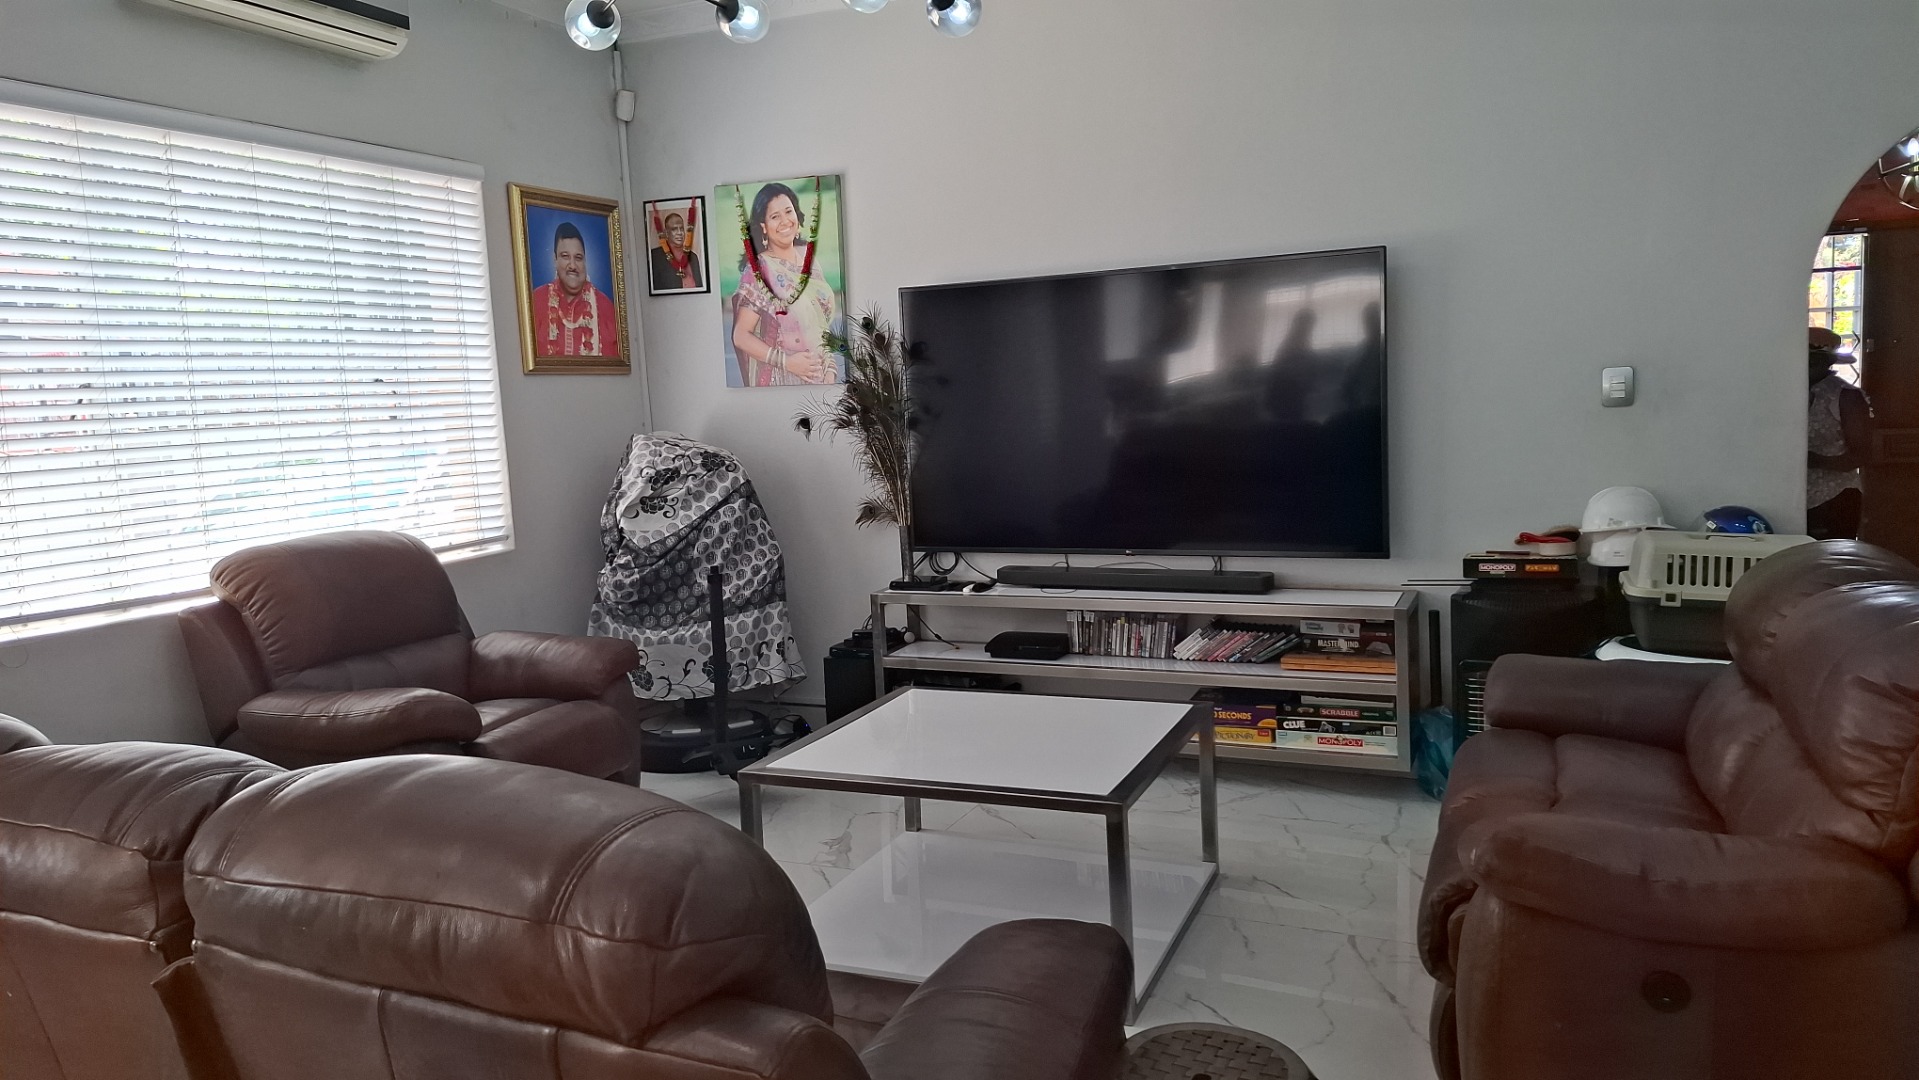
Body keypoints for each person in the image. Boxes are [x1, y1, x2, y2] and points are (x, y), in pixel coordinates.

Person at [729, 182, 841, 386]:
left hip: (822, 380)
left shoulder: (809, 258)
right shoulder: (760, 269)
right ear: (763, 226)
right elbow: (741, 336)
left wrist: (831, 369)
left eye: (788, 211)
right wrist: (787, 363)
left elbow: (819, 323)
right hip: (783, 381)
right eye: (774, 216)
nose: (785, 221)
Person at [1806, 325, 1873, 540]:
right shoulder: (1789, 392)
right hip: (1795, 497)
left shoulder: (1845, 396)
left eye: (1814, 358)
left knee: (1831, 555)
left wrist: (1813, 460)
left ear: (1827, 361)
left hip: (1835, 498)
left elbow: (1862, 454)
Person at [531, 221, 619, 357]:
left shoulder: (605, 306)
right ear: (555, 260)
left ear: (585, 262)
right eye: (565, 256)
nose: (572, 265)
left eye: (578, 258)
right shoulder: (536, 301)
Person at [649, 211, 704, 292]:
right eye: (674, 229)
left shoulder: (693, 257)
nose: (680, 233)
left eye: (681, 228)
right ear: (666, 233)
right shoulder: (655, 257)